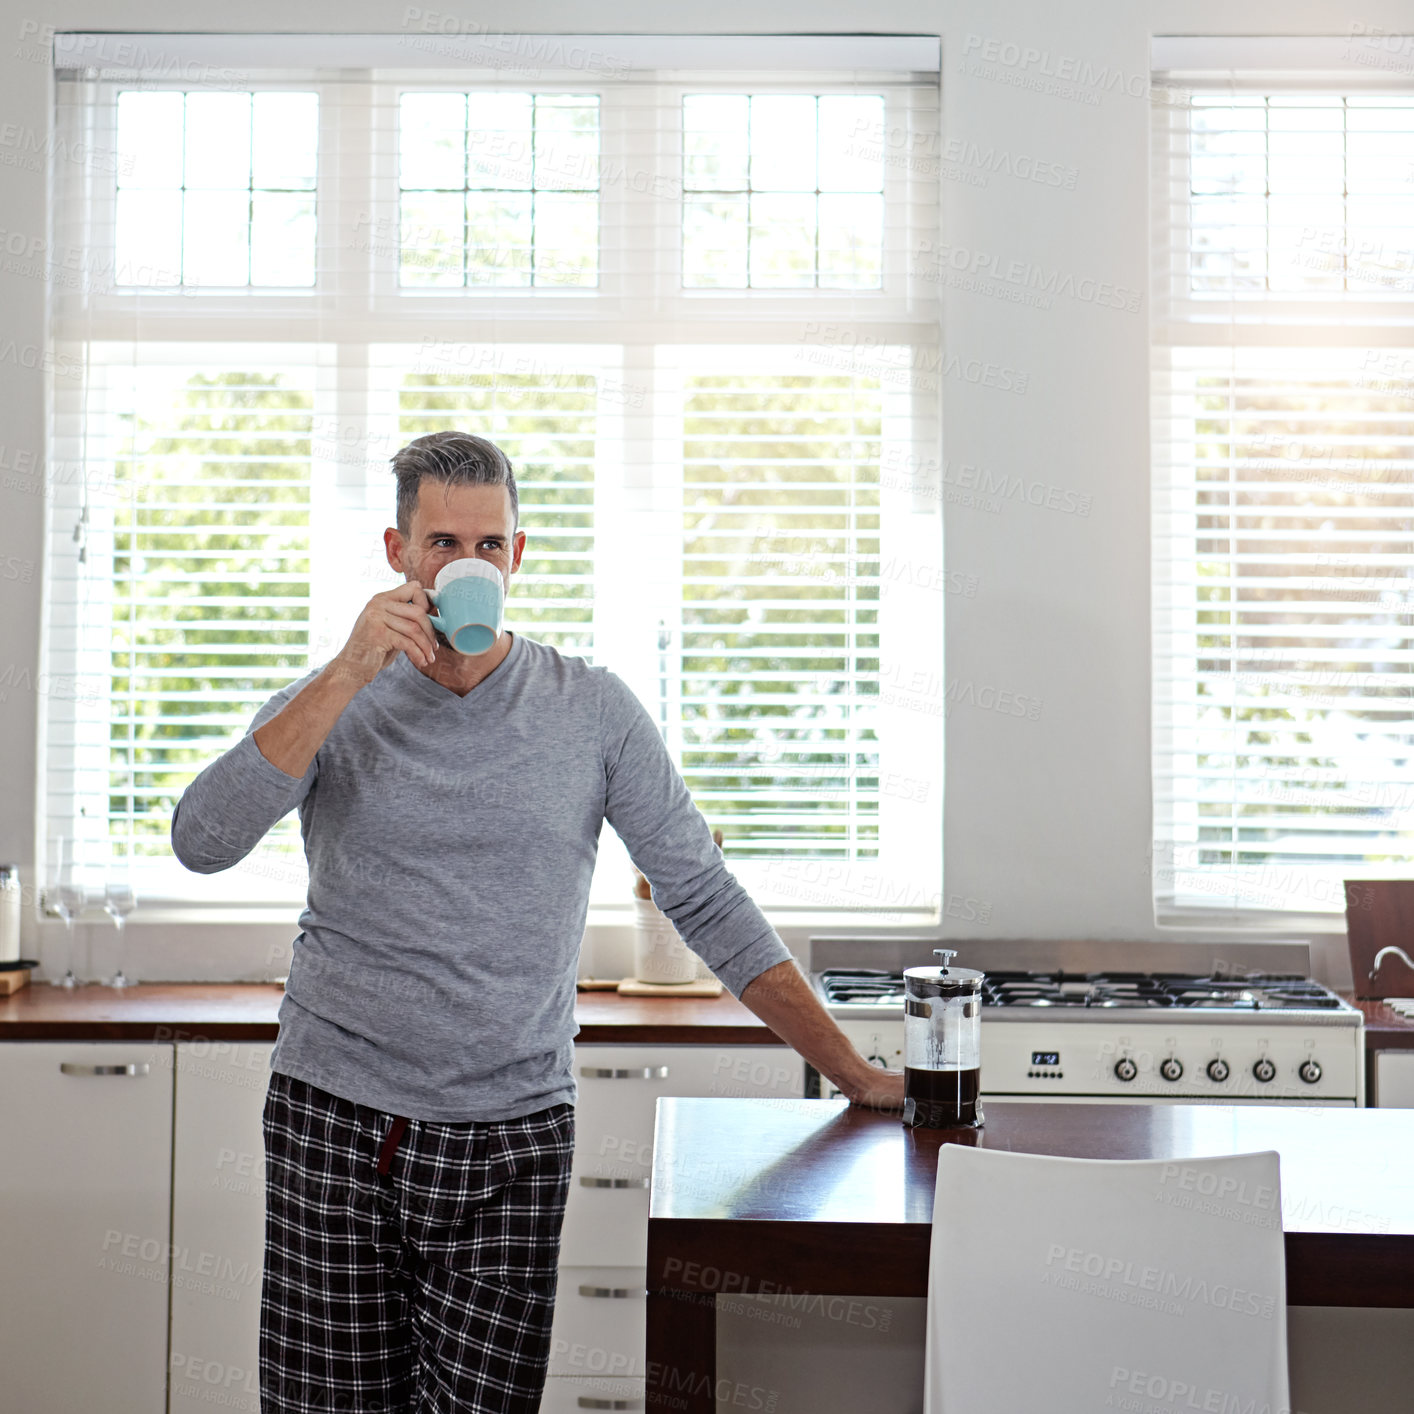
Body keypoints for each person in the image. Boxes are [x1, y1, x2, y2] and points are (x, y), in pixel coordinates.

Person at [171, 430, 904, 1413]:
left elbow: (704, 895)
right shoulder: (332, 698)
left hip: (510, 1134)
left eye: (487, 544)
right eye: (441, 544)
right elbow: (201, 840)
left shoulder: (590, 710)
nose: (465, 565)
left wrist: (851, 1067)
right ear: (398, 552)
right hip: (333, 1118)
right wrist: (346, 672)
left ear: (517, 556)